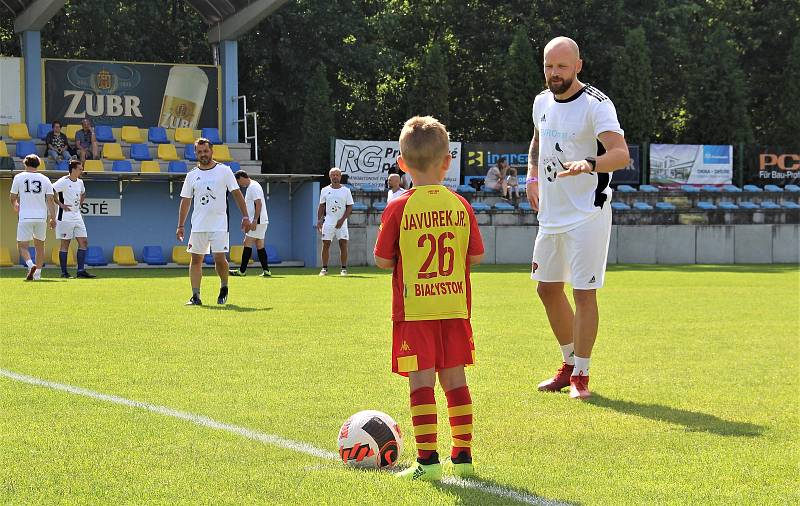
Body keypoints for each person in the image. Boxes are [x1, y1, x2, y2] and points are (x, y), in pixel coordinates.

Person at [374, 116, 484, 481]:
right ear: (447, 161)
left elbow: (382, 259)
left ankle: (428, 462)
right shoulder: (461, 205)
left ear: (402, 164)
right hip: (454, 308)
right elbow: (476, 256)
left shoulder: (398, 207)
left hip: (414, 310)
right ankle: (463, 456)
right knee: (456, 380)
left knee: (421, 383)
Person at [526, 37, 629, 400]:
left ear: (578, 66)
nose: (554, 74)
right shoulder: (541, 101)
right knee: (546, 289)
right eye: (549, 66)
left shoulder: (596, 105)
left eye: (562, 67)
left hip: (588, 213)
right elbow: (537, 139)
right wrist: (531, 176)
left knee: (584, 293)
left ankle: (581, 375)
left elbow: (621, 154)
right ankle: (568, 362)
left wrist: (590, 163)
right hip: (551, 217)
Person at [177, 138, 251, 306]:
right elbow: (186, 201)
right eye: (200, 152)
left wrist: (246, 216)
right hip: (198, 225)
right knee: (196, 260)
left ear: (212, 151)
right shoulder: (191, 176)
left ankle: (224, 286)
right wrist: (181, 225)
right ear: (195, 153)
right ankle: (195, 296)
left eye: (206, 151)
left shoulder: (224, 171)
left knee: (219, 258)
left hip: (219, 224)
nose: (203, 154)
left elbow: (237, 194)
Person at [9, 154, 56, 281]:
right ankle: (38, 274)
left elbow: (13, 197)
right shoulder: (45, 179)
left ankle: (30, 265)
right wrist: (53, 218)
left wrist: (15, 205)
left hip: (25, 216)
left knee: (22, 246)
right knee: (40, 246)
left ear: (25, 163)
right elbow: (50, 200)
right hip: (41, 217)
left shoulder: (19, 177)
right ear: (38, 164)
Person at [52, 160, 96, 278]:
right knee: (65, 244)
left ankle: (81, 271)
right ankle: (64, 272)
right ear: (73, 169)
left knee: (84, 242)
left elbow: (83, 194)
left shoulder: (80, 182)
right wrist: (61, 205)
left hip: (77, 215)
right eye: (80, 169)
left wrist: (79, 204)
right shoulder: (63, 181)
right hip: (64, 216)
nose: (82, 171)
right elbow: (51, 192)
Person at [229, 170, 271, 277]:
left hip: (259, 221)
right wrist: (246, 219)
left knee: (247, 242)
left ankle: (242, 271)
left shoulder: (253, 187)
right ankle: (266, 271)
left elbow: (259, 204)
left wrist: (255, 220)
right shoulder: (252, 186)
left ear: (241, 178)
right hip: (260, 221)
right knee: (259, 245)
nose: (239, 184)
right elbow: (252, 206)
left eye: (238, 182)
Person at [317, 167, 353, 276]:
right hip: (328, 221)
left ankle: (343, 269)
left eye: (337, 175)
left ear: (340, 176)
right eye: (333, 175)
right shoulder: (324, 190)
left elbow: (350, 207)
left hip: (342, 222)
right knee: (326, 243)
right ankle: (324, 268)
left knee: (343, 243)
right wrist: (319, 220)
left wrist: (342, 220)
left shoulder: (346, 190)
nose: (335, 177)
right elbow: (321, 206)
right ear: (330, 176)